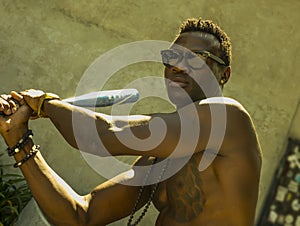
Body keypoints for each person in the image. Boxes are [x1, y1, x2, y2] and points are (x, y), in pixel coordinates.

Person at [0, 18, 262, 226]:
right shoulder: (160, 159)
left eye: (195, 57)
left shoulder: (228, 118)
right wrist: (17, 136)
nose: (177, 67)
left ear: (223, 74)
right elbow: (82, 216)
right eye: (171, 58)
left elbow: (105, 134)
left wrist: (44, 103)